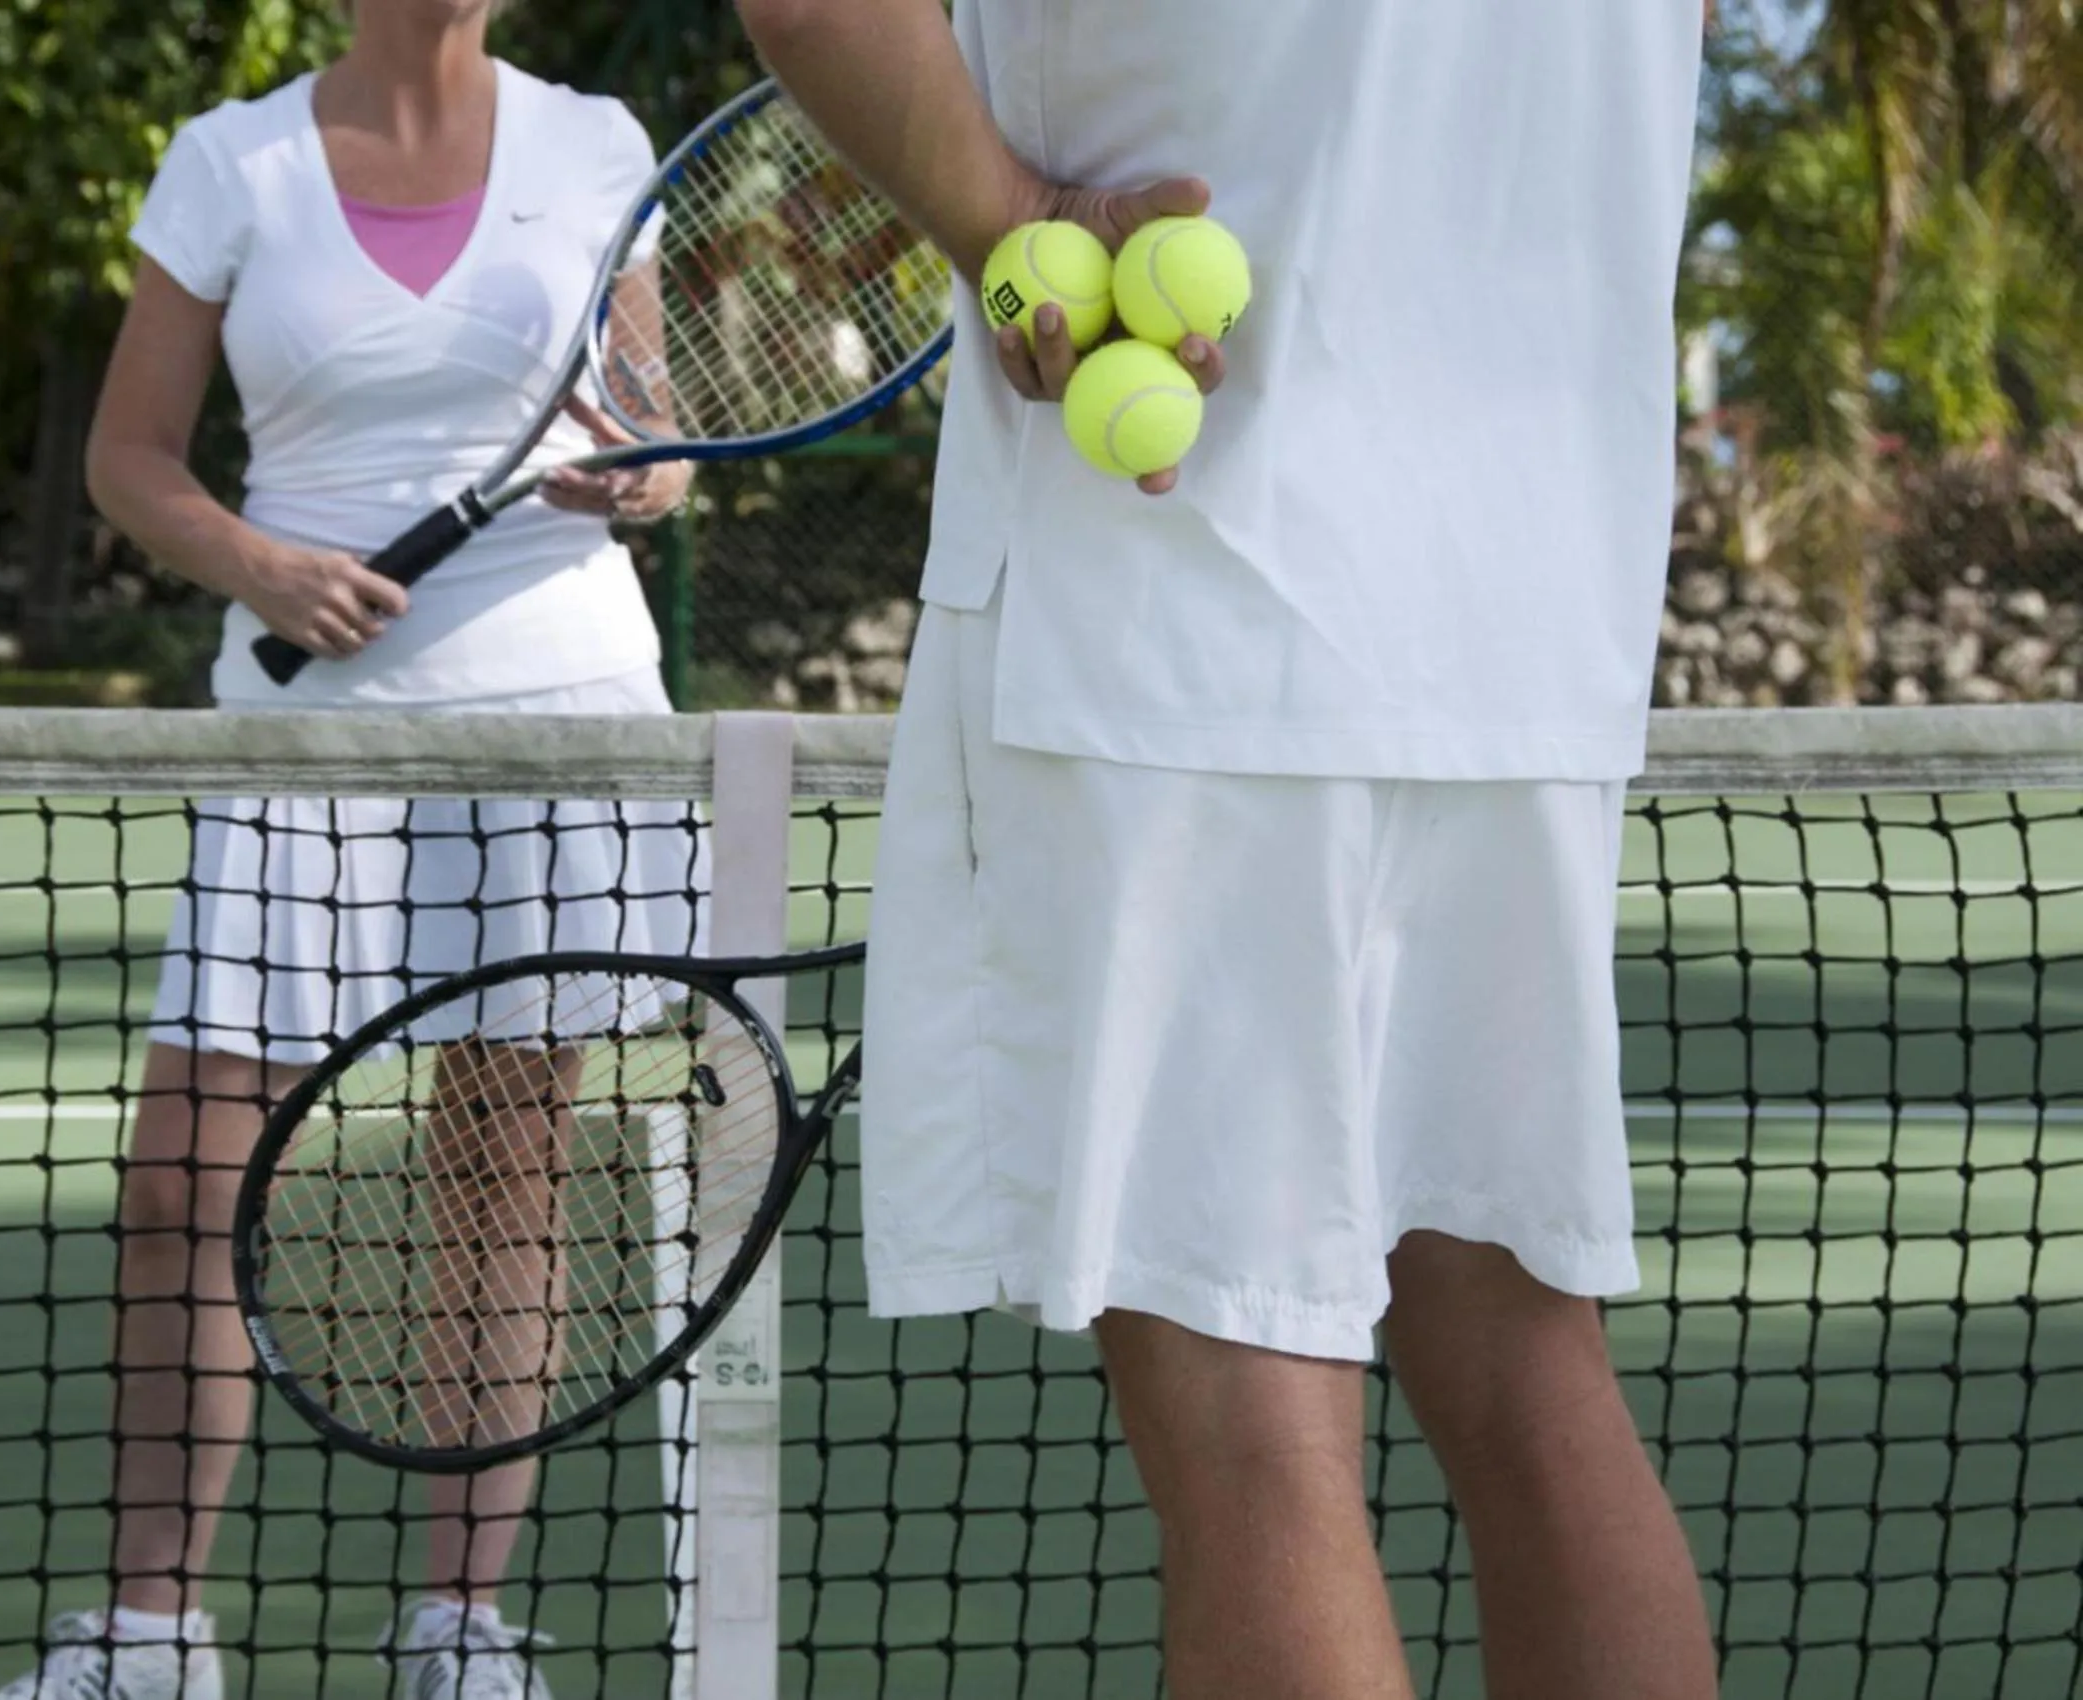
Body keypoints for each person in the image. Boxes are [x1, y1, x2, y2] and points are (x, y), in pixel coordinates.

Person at [735, 2, 1721, 1697]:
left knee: (1257, 1431)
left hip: (1167, 623)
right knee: (1537, 1378)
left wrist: (1007, 230)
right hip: (1525, 628)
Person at [0, 3, 701, 1696]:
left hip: (560, 707)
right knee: (184, 1178)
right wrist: (259, 566)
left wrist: (643, 476)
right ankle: (149, 1638)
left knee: (504, 1167)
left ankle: (464, 1630)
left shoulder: (596, 147)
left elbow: (656, 423)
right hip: (307, 728)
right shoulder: (226, 161)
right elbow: (129, 457)